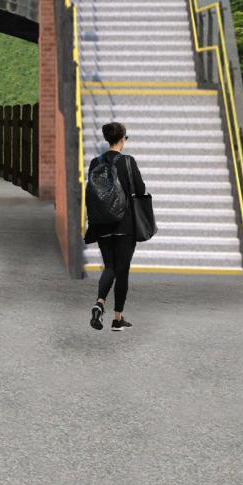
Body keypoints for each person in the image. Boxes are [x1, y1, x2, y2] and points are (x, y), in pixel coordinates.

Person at [84, 120, 148, 330]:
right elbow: (140, 190)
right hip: (124, 224)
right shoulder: (128, 161)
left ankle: (99, 303)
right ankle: (117, 319)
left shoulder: (95, 162)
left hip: (102, 224)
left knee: (109, 267)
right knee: (123, 271)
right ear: (122, 139)